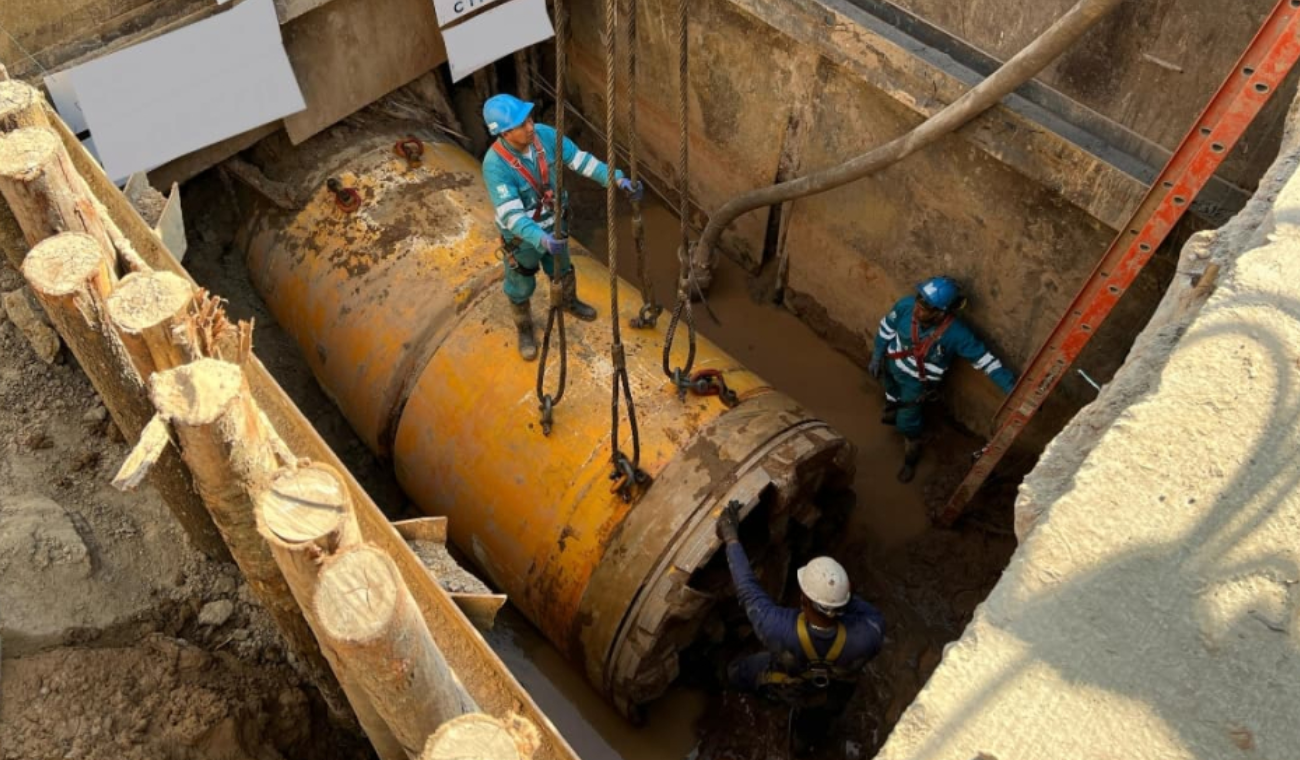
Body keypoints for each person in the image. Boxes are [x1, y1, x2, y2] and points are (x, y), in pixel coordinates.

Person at [480, 93, 644, 360]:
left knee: (563, 267)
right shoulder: (495, 166)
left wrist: (616, 179)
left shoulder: (544, 136)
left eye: (529, 119)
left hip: (555, 223)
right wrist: (540, 239)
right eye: (522, 125)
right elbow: (511, 215)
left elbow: (580, 160)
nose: (530, 127)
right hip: (523, 239)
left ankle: (569, 302)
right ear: (505, 133)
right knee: (520, 281)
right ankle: (524, 327)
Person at [716, 501, 885, 756]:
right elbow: (859, 608)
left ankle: (728, 681)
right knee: (818, 720)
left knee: (739, 671)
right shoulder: (871, 632)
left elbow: (748, 590)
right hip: (834, 692)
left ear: (804, 601)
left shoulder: (778, 628)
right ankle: (804, 741)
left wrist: (731, 538)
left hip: (790, 680)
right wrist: (838, 595)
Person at [870, 276, 1016, 483]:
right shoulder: (906, 306)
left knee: (907, 422)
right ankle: (893, 407)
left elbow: (986, 362)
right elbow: (886, 329)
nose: (917, 309)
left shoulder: (957, 334)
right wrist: (877, 355)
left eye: (925, 308)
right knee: (891, 394)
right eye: (918, 300)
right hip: (891, 367)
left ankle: (911, 452)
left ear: (941, 313)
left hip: (915, 383)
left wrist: (1013, 388)